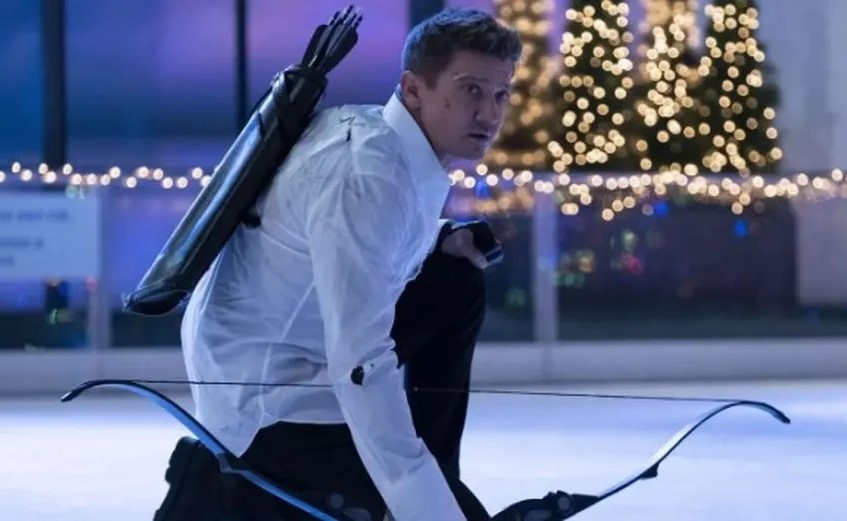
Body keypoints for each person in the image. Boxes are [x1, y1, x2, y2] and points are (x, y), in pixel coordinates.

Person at [154, 7, 522, 521]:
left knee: (455, 279)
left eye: (500, 94)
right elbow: (359, 361)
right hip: (267, 403)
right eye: (470, 91)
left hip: (294, 353)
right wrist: (423, 505)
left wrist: (440, 236)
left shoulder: (378, 138)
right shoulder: (366, 176)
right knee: (442, 506)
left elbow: (331, 232)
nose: (489, 114)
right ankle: (222, 481)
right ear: (413, 89)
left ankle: (438, 470)